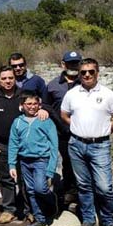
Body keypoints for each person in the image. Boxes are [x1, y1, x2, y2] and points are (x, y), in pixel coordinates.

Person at [61, 58, 113, 226]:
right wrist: (78, 127)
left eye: (91, 71)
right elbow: (64, 115)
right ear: (79, 74)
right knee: (83, 185)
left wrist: (104, 130)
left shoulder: (109, 94)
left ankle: (109, 221)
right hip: (76, 145)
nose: (87, 75)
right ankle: (89, 220)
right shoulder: (72, 94)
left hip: (100, 145)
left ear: (97, 73)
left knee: (104, 186)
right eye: (83, 72)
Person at [0, 66, 49, 224]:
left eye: (10, 78)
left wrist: (43, 110)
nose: (7, 81)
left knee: (27, 179)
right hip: (2, 145)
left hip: (25, 146)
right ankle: (9, 209)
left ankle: (30, 210)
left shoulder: (24, 95)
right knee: (6, 178)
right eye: (4, 78)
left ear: (15, 79)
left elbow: (37, 107)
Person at [8, 92, 58, 226]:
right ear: (22, 106)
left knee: (40, 188)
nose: (32, 107)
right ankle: (40, 219)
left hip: (41, 160)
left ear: (39, 105)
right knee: (30, 190)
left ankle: (51, 202)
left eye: (35, 104)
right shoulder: (17, 122)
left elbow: (54, 145)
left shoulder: (45, 121)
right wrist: (12, 164)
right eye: (28, 104)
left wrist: (51, 168)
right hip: (24, 161)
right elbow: (13, 143)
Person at [43, 51, 82, 206]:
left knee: (82, 162)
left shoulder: (85, 83)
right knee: (67, 161)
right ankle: (69, 192)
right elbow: (46, 106)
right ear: (63, 64)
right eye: (70, 63)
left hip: (82, 132)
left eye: (76, 63)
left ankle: (83, 193)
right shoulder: (52, 85)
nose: (73, 66)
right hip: (60, 132)